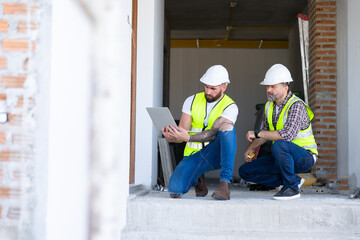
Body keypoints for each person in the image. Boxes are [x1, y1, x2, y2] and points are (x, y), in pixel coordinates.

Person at [238, 64, 318, 200]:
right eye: (267, 86)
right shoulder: (269, 106)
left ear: (285, 88)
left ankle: (292, 188)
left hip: (304, 157)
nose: (268, 90)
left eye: (273, 86)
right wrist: (250, 148)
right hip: (282, 157)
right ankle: (293, 181)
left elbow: (286, 135)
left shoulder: (296, 105)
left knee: (279, 144)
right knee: (245, 171)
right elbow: (266, 133)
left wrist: (258, 133)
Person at [162, 65, 238, 200]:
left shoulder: (230, 107)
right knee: (175, 190)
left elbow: (214, 133)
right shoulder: (191, 100)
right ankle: (198, 178)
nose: (208, 91)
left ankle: (224, 184)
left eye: (213, 88)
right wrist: (172, 137)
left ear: (224, 87)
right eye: (206, 87)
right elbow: (182, 133)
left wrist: (188, 138)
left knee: (227, 128)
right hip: (194, 155)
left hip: (215, 154)